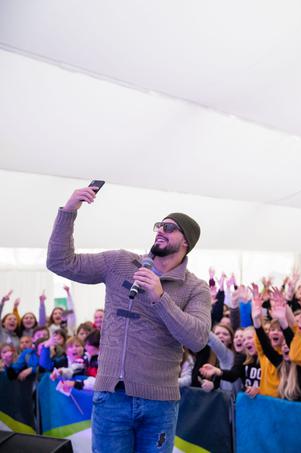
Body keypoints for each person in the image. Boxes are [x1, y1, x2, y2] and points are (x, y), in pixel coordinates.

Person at [46, 185, 211, 453]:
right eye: (159, 225)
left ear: (186, 242)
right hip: (111, 397)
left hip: (160, 403)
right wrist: (69, 211)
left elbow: (198, 338)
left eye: (169, 228)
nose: (160, 230)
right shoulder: (119, 262)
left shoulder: (195, 288)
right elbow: (59, 262)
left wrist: (160, 297)